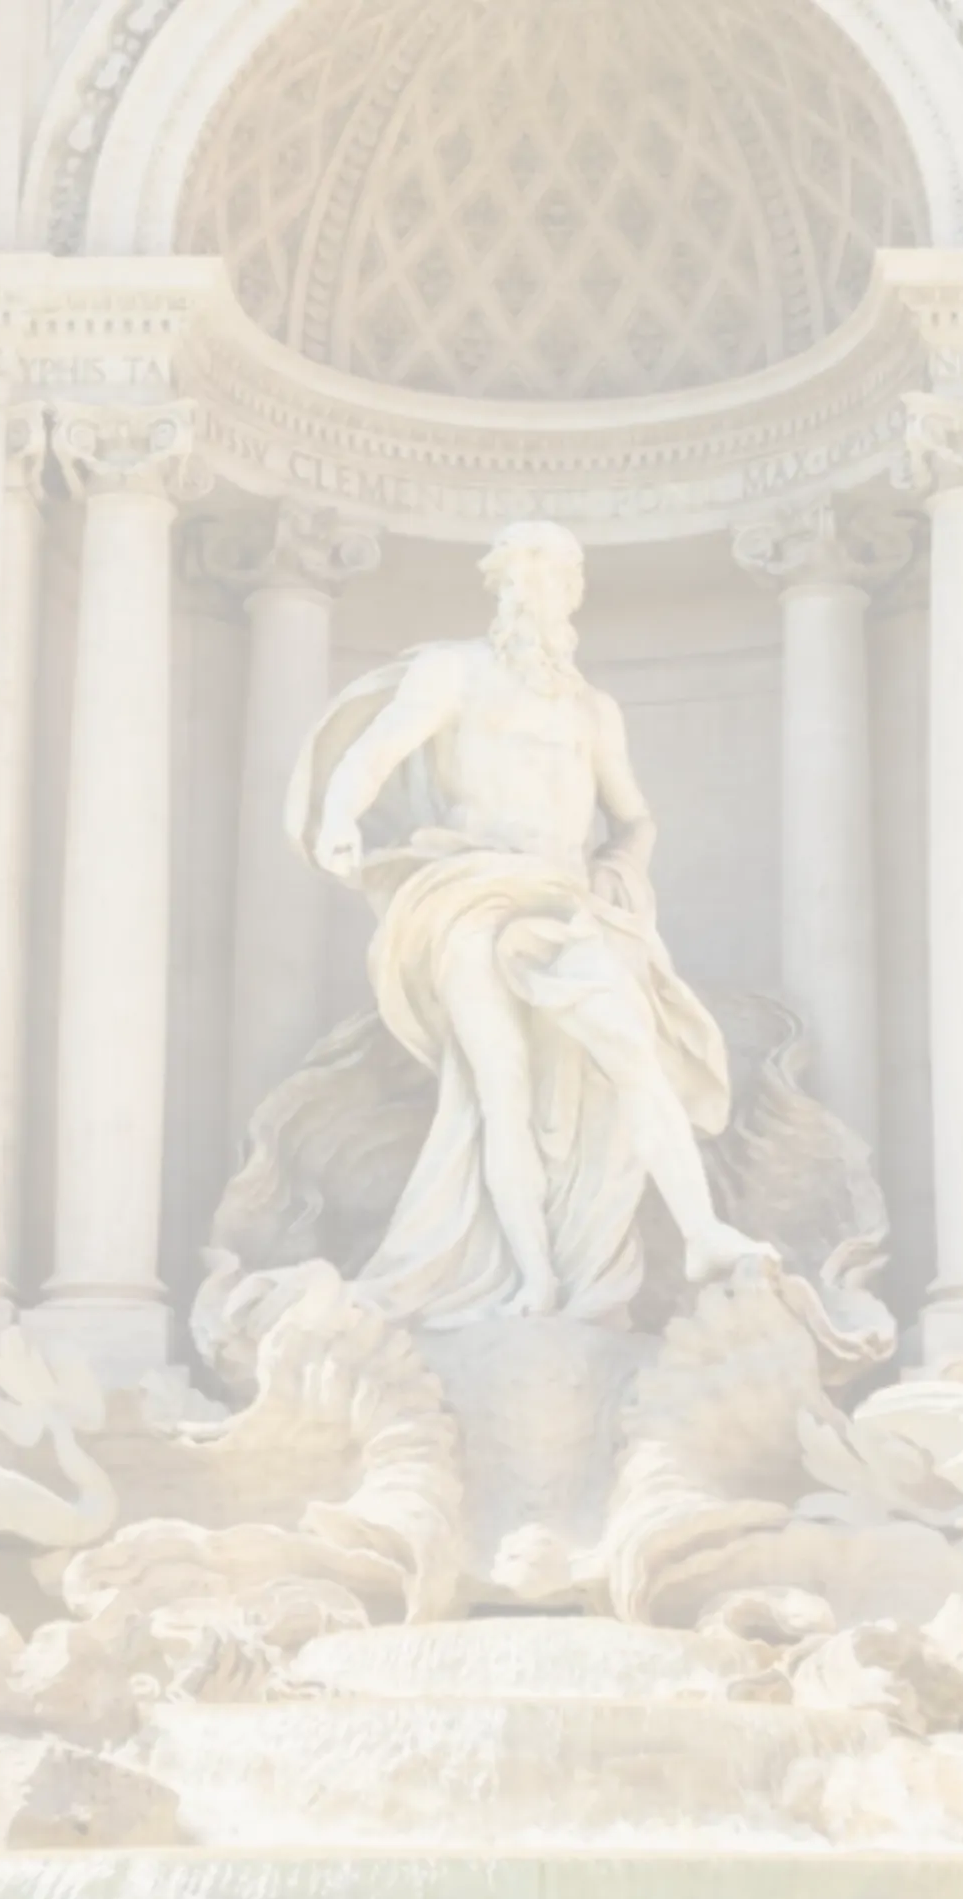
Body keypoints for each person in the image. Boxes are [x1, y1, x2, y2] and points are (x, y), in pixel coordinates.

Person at [294, 522, 772, 1328]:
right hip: (468, 890)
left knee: (635, 1053)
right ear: (501, 591)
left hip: (565, 902)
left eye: (554, 580)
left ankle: (702, 1233)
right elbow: (374, 754)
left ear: (573, 595)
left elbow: (635, 817)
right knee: (499, 1088)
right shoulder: (456, 672)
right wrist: (340, 814)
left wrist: (620, 870)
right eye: (523, 580)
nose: (538, 595)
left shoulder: (592, 710)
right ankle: (533, 1277)